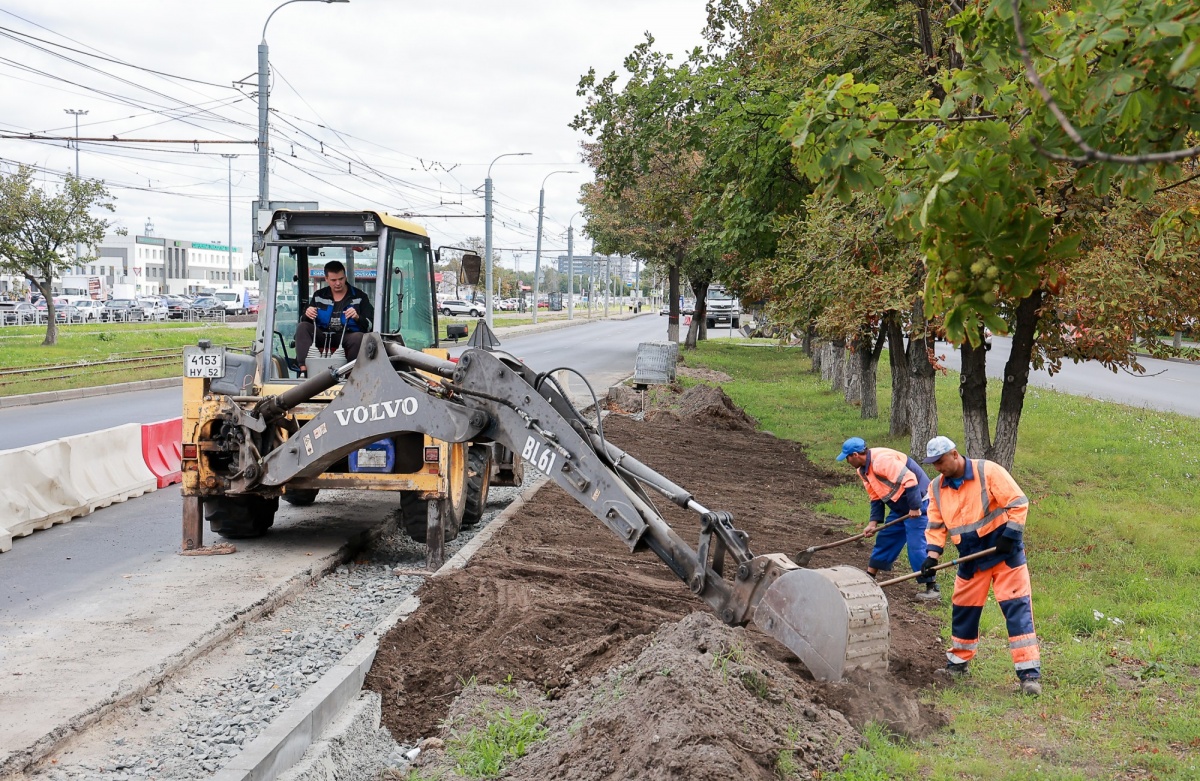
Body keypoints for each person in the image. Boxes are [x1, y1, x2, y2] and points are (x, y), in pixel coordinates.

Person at [920, 436, 1042, 696]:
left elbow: (1018, 503)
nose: (937, 468)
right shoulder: (935, 488)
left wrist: (1010, 537)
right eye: (933, 464)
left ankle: (1029, 676)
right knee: (963, 610)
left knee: (1016, 609)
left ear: (954, 454)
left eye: (940, 461)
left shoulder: (988, 471)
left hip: (1003, 555)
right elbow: (936, 524)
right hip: (970, 558)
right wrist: (932, 555)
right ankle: (958, 664)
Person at [836, 437, 939, 600]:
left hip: (919, 503)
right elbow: (875, 497)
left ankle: (932, 587)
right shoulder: (862, 469)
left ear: (855, 455)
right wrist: (872, 523)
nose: (846, 461)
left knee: (916, 546)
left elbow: (911, 481)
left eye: (847, 457)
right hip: (899, 505)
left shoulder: (881, 461)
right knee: (885, 539)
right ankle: (869, 578)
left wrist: (914, 507)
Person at [295, 260, 374, 375]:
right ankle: (304, 371)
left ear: (345, 277)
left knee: (359, 337)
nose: (338, 283)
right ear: (326, 279)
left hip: (347, 336)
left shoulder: (360, 297)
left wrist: (357, 317)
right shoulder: (318, 296)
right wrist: (307, 314)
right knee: (303, 327)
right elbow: (304, 320)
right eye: (333, 280)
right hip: (322, 334)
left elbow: (370, 325)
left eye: (341, 279)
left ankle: (350, 376)